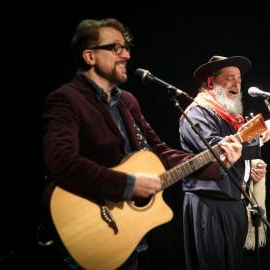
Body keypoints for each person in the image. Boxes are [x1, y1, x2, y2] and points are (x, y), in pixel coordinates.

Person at [42, 19, 243, 270]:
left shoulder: (128, 102)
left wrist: (216, 160)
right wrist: (128, 185)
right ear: (90, 56)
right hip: (89, 231)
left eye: (126, 47)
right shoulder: (66, 99)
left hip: (127, 234)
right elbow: (61, 161)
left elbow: (161, 153)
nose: (126, 54)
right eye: (116, 48)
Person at [179, 55, 270, 270]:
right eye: (229, 78)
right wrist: (261, 133)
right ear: (211, 83)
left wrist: (249, 169)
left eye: (239, 79)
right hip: (209, 204)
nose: (237, 83)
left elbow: (237, 152)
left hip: (234, 201)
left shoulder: (229, 116)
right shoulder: (197, 112)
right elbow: (219, 149)